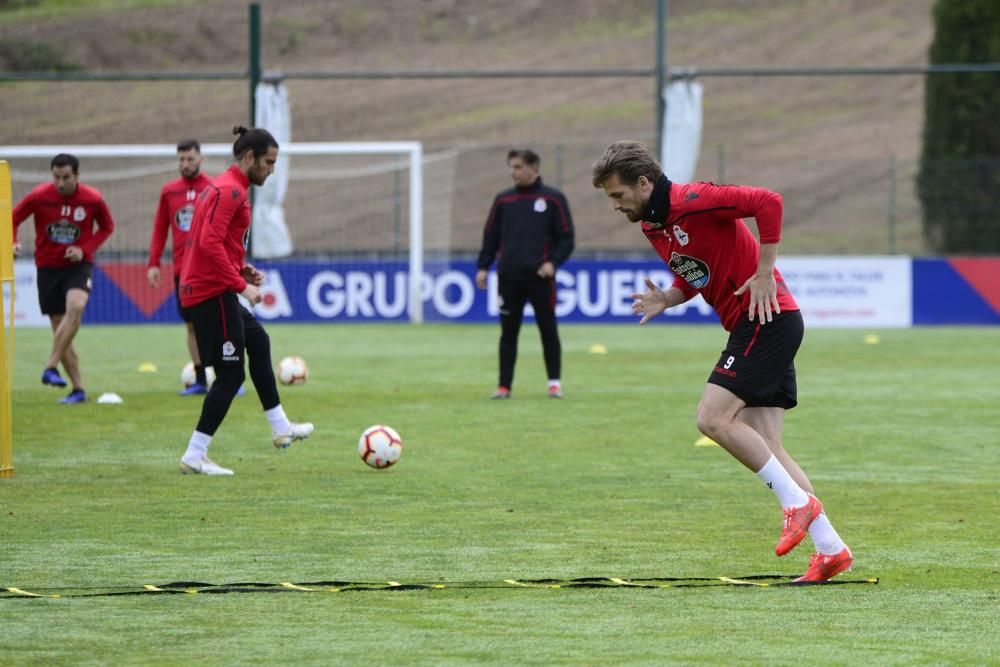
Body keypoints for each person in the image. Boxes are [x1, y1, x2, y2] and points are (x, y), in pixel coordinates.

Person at [591, 140, 852, 583]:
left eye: (617, 195)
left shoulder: (693, 200)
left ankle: (798, 504)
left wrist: (766, 270)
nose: (615, 205)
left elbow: (768, 202)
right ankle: (831, 549)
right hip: (756, 324)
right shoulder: (654, 226)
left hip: (765, 320)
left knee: (711, 419)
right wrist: (669, 297)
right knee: (768, 444)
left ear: (642, 182)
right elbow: (698, 273)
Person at [177, 126, 312, 476]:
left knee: (258, 340)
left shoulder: (221, 186)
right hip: (212, 292)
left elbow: (214, 241)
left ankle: (280, 426)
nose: (271, 169)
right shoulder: (231, 191)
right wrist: (239, 284)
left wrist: (240, 268)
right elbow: (207, 243)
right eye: (268, 162)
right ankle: (195, 454)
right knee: (231, 374)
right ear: (249, 157)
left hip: (211, 285)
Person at [12, 153, 115, 404]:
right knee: (62, 328)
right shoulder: (39, 196)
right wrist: (13, 242)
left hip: (78, 266)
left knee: (77, 306)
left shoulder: (92, 199)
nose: (60, 183)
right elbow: (12, 218)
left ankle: (50, 365)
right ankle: (78, 389)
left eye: (66, 178)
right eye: (56, 177)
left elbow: (107, 227)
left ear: (77, 176)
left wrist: (84, 249)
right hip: (47, 268)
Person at [475, 148, 574, 400]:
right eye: (511, 167)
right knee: (508, 333)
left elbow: (566, 238)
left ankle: (554, 384)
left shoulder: (553, 199)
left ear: (533, 168)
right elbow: (490, 236)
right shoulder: (503, 200)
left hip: (541, 278)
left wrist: (553, 263)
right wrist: (483, 266)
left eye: (518, 167)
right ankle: (504, 387)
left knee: (548, 329)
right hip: (509, 278)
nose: (513, 172)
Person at [147, 139, 214, 396]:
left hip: (210, 270)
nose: (185, 164)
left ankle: (231, 377)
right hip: (182, 272)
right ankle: (200, 381)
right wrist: (154, 263)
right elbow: (159, 229)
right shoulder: (169, 191)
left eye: (190, 159)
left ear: (201, 159)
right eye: (181, 159)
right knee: (191, 326)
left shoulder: (212, 188)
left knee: (218, 324)